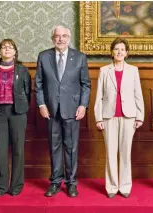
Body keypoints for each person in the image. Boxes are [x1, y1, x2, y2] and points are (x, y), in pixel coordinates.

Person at [35, 25, 91, 197]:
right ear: (53, 38)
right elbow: (38, 84)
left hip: (73, 109)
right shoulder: (44, 56)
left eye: (64, 36)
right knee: (54, 147)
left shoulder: (80, 57)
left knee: (71, 148)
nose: (61, 39)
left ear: (69, 38)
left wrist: (83, 105)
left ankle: (71, 183)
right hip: (51, 110)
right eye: (57, 36)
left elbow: (85, 85)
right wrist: (41, 105)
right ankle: (55, 182)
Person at [94, 37, 144, 198]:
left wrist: (140, 116)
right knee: (110, 152)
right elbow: (99, 97)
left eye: (122, 49)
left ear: (127, 53)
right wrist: (98, 118)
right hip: (108, 117)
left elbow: (138, 95)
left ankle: (125, 186)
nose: (119, 52)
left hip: (129, 117)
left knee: (125, 152)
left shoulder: (133, 70)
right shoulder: (104, 71)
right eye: (116, 49)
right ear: (112, 52)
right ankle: (111, 187)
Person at [0, 39, 31, 196]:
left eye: (10, 47)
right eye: (3, 47)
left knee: (18, 150)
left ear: (15, 52)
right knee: (1, 149)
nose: (7, 49)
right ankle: (1, 186)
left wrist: (22, 109)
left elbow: (28, 92)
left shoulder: (22, 70)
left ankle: (16, 186)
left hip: (17, 113)